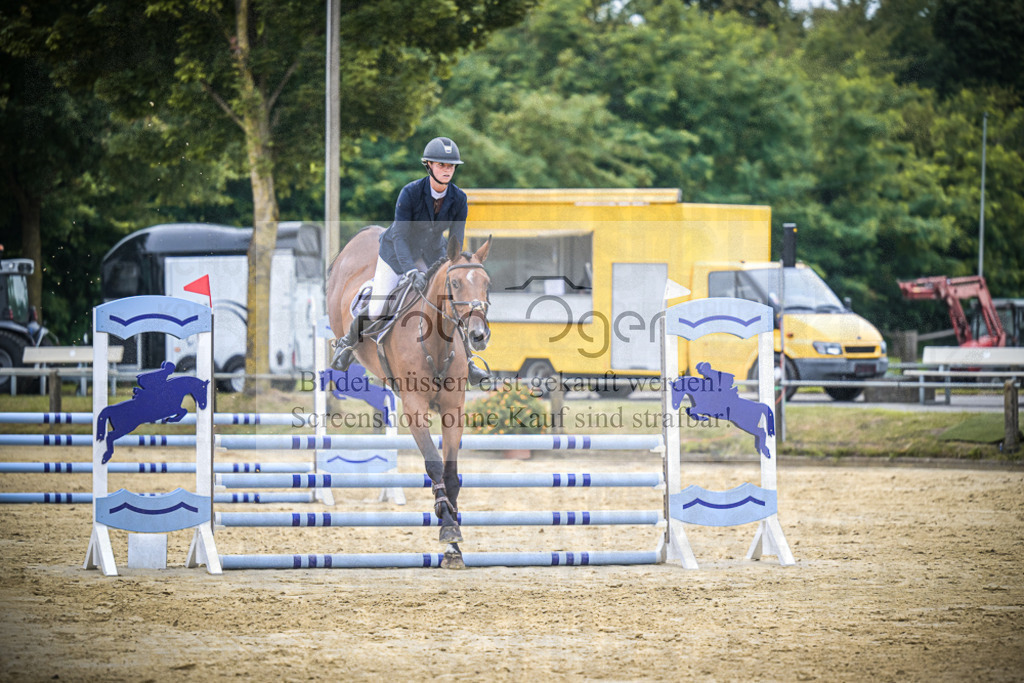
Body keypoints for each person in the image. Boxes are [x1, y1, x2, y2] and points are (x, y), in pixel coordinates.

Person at [332, 136, 490, 386]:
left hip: (432, 255)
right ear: (429, 165)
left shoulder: (459, 199)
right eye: (441, 165)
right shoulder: (411, 193)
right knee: (378, 308)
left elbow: (455, 243)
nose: (447, 170)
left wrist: (455, 266)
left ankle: (468, 362)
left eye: (450, 166)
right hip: (396, 253)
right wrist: (409, 271)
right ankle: (346, 344)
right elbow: (401, 237)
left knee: (450, 305)